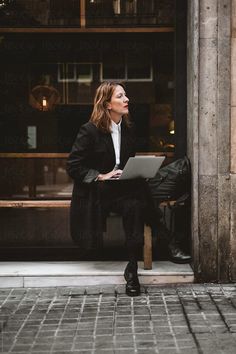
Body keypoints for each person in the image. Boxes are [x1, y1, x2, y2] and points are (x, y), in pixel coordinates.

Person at [67, 81, 153, 297]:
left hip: (123, 190)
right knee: (140, 197)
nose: (127, 100)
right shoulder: (90, 130)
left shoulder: (128, 129)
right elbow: (73, 165)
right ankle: (165, 234)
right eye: (120, 96)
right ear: (107, 104)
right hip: (100, 192)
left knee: (135, 203)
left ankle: (132, 269)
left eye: (126, 96)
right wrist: (100, 176)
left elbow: (127, 161)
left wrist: (134, 170)